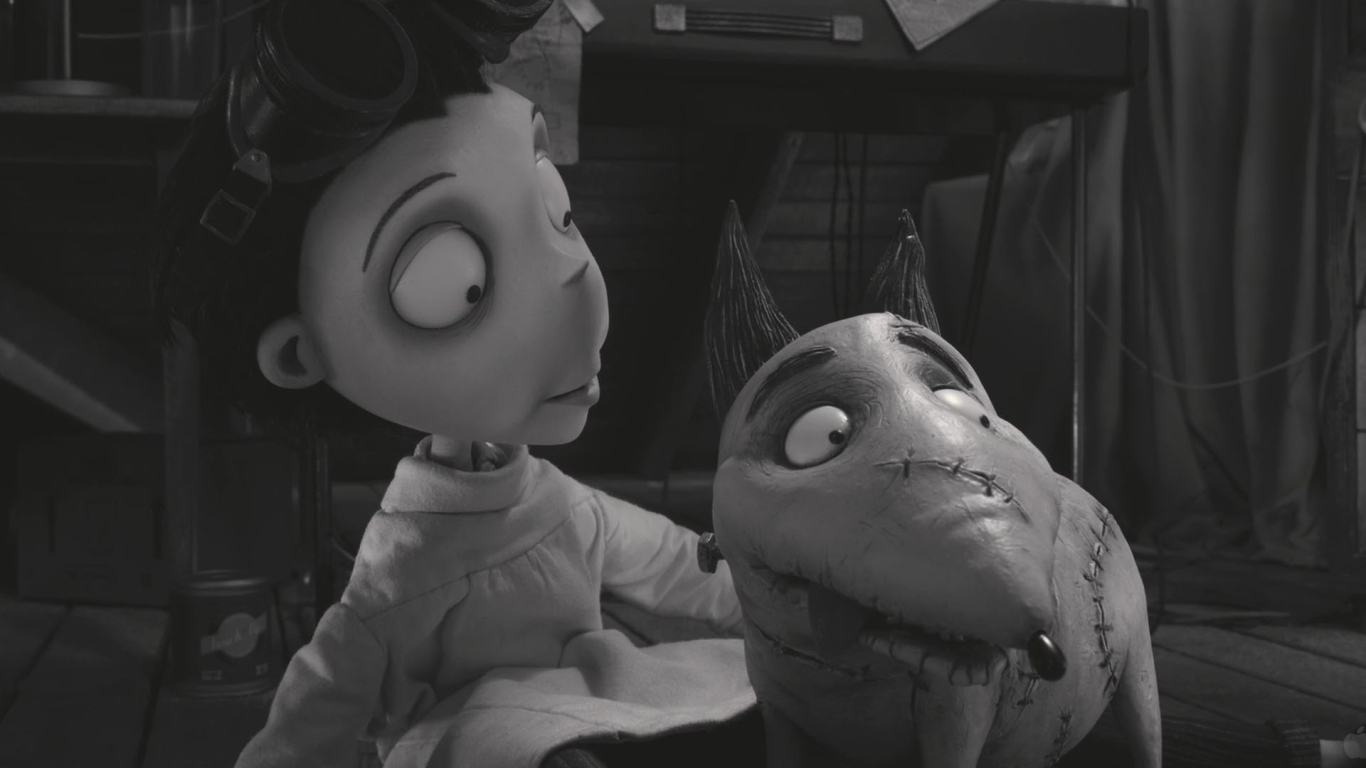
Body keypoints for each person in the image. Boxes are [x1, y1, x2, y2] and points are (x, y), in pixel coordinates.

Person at [149, 1, 754, 766]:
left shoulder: (566, 508)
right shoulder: (398, 586)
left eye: (557, 210)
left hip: (617, 714)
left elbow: (684, 569)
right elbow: (302, 734)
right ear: (302, 354)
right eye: (453, 282)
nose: (579, 283)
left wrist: (789, 598)